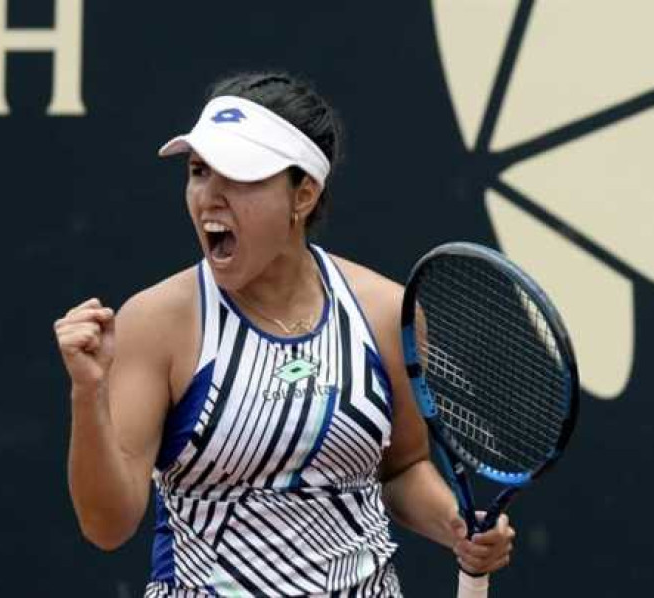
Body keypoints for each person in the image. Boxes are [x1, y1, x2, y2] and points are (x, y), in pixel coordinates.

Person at [54, 72, 515, 597]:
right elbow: (106, 527)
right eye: (199, 171)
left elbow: (403, 468)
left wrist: (457, 526)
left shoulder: (386, 312)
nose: (210, 198)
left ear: (303, 195)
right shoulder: (157, 322)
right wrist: (87, 393)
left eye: (241, 177)